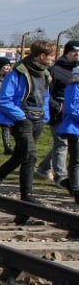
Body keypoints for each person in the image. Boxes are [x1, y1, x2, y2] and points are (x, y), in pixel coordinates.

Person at [0, 39, 56, 202]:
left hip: (38, 119)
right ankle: (27, 195)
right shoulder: (18, 73)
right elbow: (4, 99)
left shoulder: (45, 74)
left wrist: (45, 116)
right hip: (22, 119)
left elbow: (45, 97)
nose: (53, 59)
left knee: (20, 155)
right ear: (42, 56)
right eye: (51, 56)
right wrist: (21, 117)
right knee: (30, 155)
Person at [35, 40, 79, 186]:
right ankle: (61, 177)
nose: (77, 54)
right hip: (58, 112)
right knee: (62, 143)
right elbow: (47, 92)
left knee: (63, 143)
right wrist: (57, 106)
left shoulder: (77, 68)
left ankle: (43, 167)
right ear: (66, 52)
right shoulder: (55, 69)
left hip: (73, 114)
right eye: (74, 51)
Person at [53, 71, 79, 202]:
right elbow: (73, 109)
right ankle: (75, 189)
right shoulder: (74, 87)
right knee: (76, 160)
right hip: (75, 128)